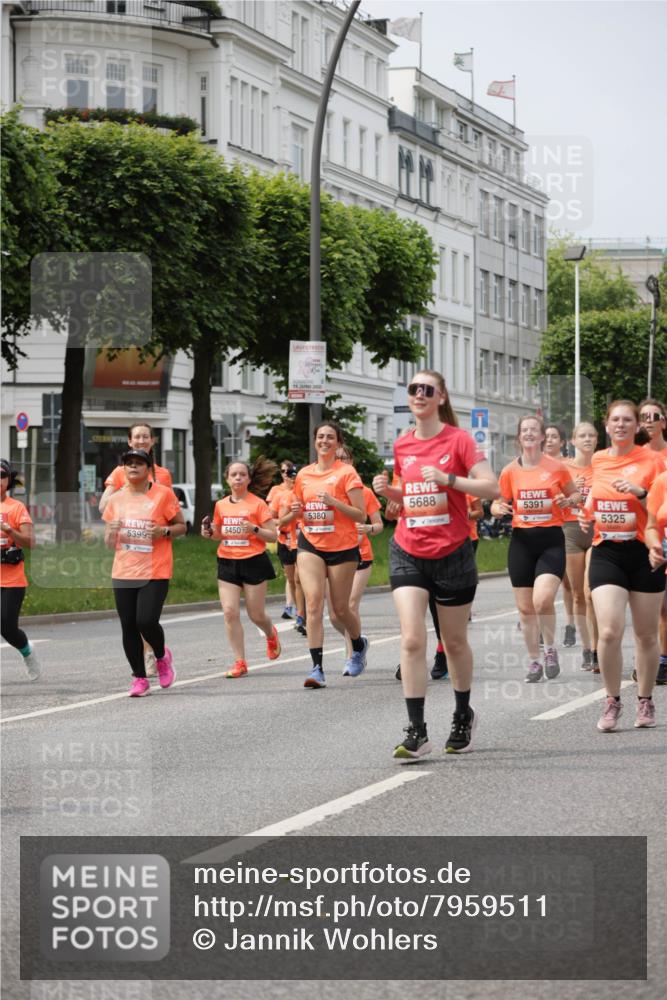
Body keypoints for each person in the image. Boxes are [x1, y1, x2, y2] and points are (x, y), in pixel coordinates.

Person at [373, 371, 499, 760]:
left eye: (427, 389)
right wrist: (389, 492)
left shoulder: (459, 440)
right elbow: (411, 496)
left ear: (441, 397)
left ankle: (463, 716)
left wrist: (449, 478)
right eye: (414, 389)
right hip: (408, 549)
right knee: (412, 639)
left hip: (452, 553)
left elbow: (491, 487)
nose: (419, 394)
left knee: (454, 640)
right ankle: (417, 730)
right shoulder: (403, 443)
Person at [579, 400, 663, 732]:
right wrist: (587, 514)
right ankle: (612, 700)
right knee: (609, 631)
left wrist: (641, 493)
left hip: (644, 552)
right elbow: (595, 495)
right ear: (606, 425)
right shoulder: (598, 459)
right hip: (607, 552)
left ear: (637, 426)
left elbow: (662, 505)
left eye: (628, 420)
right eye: (615, 420)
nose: (621, 425)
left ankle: (645, 699)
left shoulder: (652, 460)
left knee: (646, 634)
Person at [492, 415, 580, 683]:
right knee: (525, 609)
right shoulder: (510, 471)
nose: (529, 433)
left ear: (542, 436)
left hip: (551, 541)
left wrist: (568, 501)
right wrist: (498, 509)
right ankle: (534, 661)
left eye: (534, 430)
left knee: (542, 600)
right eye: (524, 430)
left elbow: (576, 495)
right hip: (521, 543)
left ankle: (550, 649)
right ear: (519, 437)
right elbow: (497, 503)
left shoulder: (556, 468)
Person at [102, 449, 185, 697]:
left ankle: (161, 656)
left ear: (148, 469)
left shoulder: (163, 494)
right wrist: (111, 532)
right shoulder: (116, 500)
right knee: (128, 625)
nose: (133, 467)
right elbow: (108, 544)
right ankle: (139, 678)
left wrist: (163, 531)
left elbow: (181, 526)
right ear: (123, 469)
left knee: (146, 621)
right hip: (124, 570)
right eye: (129, 463)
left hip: (155, 569)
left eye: (139, 463)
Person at [291, 422, 367, 689]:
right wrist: (297, 510)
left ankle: (358, 644)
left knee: (340, 609)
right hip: (310, 543)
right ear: (315, 441)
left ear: (338, 443)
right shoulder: (304, 474)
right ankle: (317, 669)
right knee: (313, 603)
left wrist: (334, 503)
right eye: (320, 436)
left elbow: (361, 515)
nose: (324, 441)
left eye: (330, 437)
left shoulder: (347, 473)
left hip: (342, 547)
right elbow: (300, 507)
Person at [201, 457, 281, 678]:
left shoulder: (258, 504)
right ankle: (240, 661)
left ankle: (270, 634)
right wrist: (209, 533)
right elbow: (219, 533)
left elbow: (273, 535)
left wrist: (254, 529)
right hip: (227, 561)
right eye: (233, 475)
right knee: (229, 611)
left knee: (256, 614)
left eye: (242, 474)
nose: (238, 478)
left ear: (248, 479)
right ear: (227, 479)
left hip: (253, 561)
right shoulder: (221, 505)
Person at [327, 446, 383, 670]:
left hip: (361, 555)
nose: (341, 461)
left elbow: (379, 525)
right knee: (334, 615)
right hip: (334, 554)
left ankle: (352, 656)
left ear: (352, 461)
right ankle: (359, 640)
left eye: (345, 458)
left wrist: (368, 528)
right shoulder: (326, 489)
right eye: (337, 458)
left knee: (350, 605)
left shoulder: (364, 491)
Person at [562, 423, 599, 671]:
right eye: (582, 436)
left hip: (596, 529)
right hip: (571, 530)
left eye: (591, 435)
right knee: (577, 594)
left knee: (590, 592)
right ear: (573, 441)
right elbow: (553, 500)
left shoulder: (603, 466)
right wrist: (571, 491)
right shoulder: (563, 468)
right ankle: (586, 648)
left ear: (596, 440)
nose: (587, 439)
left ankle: (597, 648)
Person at [0, 460, 40, 680]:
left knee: (7, 627)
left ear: (9, 480)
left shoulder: (16, 508)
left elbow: (31, 542)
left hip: (11, 580)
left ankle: (27, 652)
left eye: (2, 476)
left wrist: (9, 531)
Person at [639, 398, 667, 685]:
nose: (648, 421)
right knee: (653, 607)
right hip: (642, 533)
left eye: (654, 416)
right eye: (643, 416)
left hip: (661, 528)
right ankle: (654, 658)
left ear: (663, 422)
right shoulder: (634, 457)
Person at [544, 424, 576, 646]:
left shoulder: (568, 466)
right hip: (542, 528)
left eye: (554, 437)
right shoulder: (532, 464)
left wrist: (574, 494)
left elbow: (577, 493)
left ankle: (570, 624)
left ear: (562, 442)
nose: (549, 440)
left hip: (568, 525)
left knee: (567, 582)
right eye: (546, 436)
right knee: (542, 580)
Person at [267, 461, 299, 620]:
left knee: (300, 579)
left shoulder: (304, 492)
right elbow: (270, 518)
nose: (288, 475)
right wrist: (282, 521)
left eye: (291, 472)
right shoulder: (278, 492)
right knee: (291, 578)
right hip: (284, 539)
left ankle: (302, 611)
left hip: (301, 542)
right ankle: (294, 607)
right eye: (284, 471)